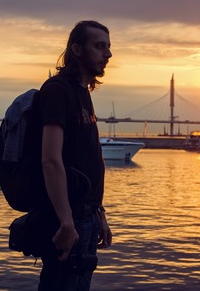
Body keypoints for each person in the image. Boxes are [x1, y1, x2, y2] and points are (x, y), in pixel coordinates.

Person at [37, 20, 113, 291]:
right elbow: (50, 159)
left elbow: (85, 159)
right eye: (100, 46)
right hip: (67, 219)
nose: (108, 54)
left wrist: (98, 212)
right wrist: (67, 222)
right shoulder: (58, 91)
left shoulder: (83, 92)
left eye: (109, 47)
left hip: (86, 216)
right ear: (77, 49)